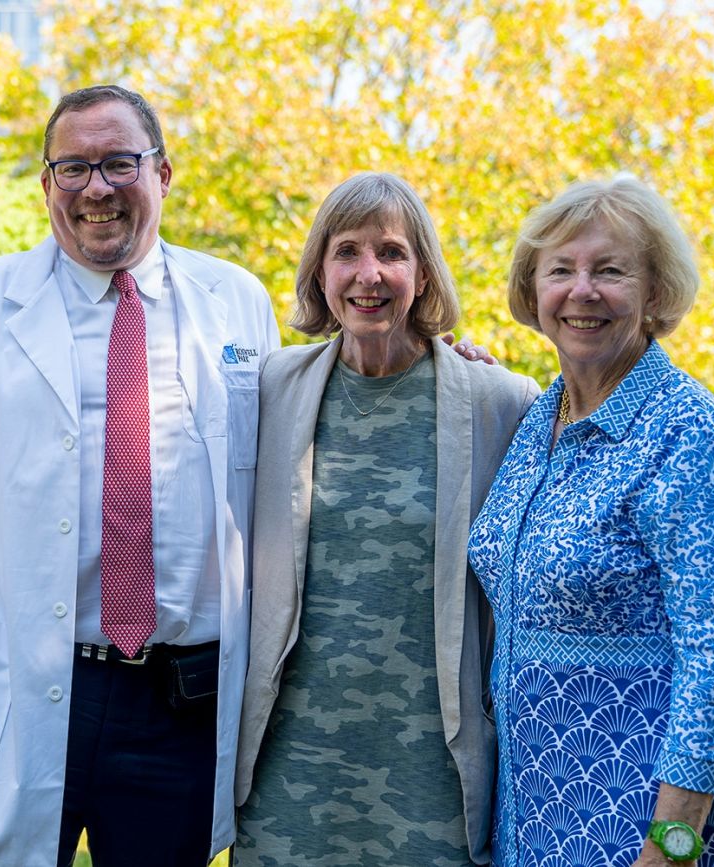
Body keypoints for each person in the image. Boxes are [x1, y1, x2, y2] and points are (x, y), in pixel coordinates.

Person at [0, 85, 279, 867]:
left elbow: (295, 443)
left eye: (119, 163)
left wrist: (441, 352)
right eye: (73, 168)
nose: (96, 188)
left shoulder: (235, 300)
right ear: (45, 186)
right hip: (14, 685)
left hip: (179, 706)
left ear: (163, 175)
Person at [468, 176, 714, 866]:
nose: (583, 290)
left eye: (610, 270)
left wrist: (673, 844)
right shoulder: (537, 422)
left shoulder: (687, 431)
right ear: (534, 292)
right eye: (561, 271)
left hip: (649, 825)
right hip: (540, 810)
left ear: (655, 293)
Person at [234, 172, 540, 866]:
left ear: (424, 274)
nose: (369, 275)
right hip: (289, 762)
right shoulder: (272, 387)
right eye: (347, 251)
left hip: (433, 765)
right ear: (319, 270)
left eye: (393, 253)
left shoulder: (500, 402)